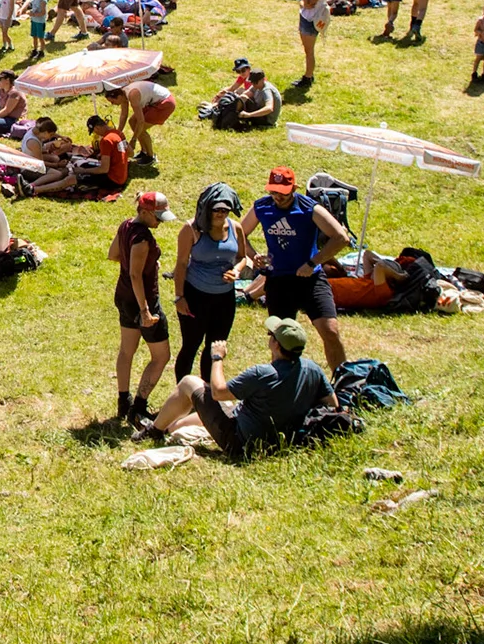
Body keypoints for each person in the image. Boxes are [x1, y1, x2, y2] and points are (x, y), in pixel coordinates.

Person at [133, 320, 337, 457]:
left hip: (242, 444)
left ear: (275, 344)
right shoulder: (313, 369)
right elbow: (331, 404)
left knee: (188, 383)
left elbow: (218, 391)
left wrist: (217, 357)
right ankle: (168, 427)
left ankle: (154, 431)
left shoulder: (263, 373)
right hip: (281, 442)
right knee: (207, 414)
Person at [237, 166, 351, 372]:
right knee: (279, 339)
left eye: (282, 192)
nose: (277, 197)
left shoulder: (310, 208)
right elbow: (239, 234)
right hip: (279, 281)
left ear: (294, 188)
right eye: (273, 191)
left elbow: (341, 237)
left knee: (331, 331)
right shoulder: (262, 208)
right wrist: (254, 256)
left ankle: (344, 382)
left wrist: (313, 262)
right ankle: (281, 384)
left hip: (311, 280)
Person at [173, 183, 250, 383]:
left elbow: (243, 257)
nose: (221, 214)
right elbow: (181, 264)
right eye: (217, 210)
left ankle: (208, 391)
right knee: (191, 345)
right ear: (207, 208)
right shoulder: (191, 229)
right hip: (195, 295)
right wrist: (179, 297)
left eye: (225, 210)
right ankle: (183, 392)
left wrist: (237, 270)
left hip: (224, 298)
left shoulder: (235, 228)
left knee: (215, 346)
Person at [109, 192, 174, 426]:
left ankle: (122, 401)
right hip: (142, 301)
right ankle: (139, 407)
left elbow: (113, 254)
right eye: (158, 217)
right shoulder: (142, 238)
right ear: (145, 212)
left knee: (127, 350)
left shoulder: (126, 225)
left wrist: (142, 262)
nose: (160, 222)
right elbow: (136, 275)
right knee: (161, 356)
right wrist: (145, 311)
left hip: (123, 297)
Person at [105, 80, 173, 166]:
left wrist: (133, 140)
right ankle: (143, 151)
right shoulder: (123, 95)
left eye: (112, 102)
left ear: (118, 96)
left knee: (141, 129)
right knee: (132, 122)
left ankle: (150, 156)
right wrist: (118, 132)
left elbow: (141, 121)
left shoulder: (132, 95)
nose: (113, 104)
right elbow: (124, 115)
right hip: (152, 102)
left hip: (164, 103)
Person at [295, 0, 329, 87]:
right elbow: (305, 3)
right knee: (306, 49)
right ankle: (308, 74)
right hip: (305, 18)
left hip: (311, 21)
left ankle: (308, 77)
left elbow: (307, 4)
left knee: (309, 51)